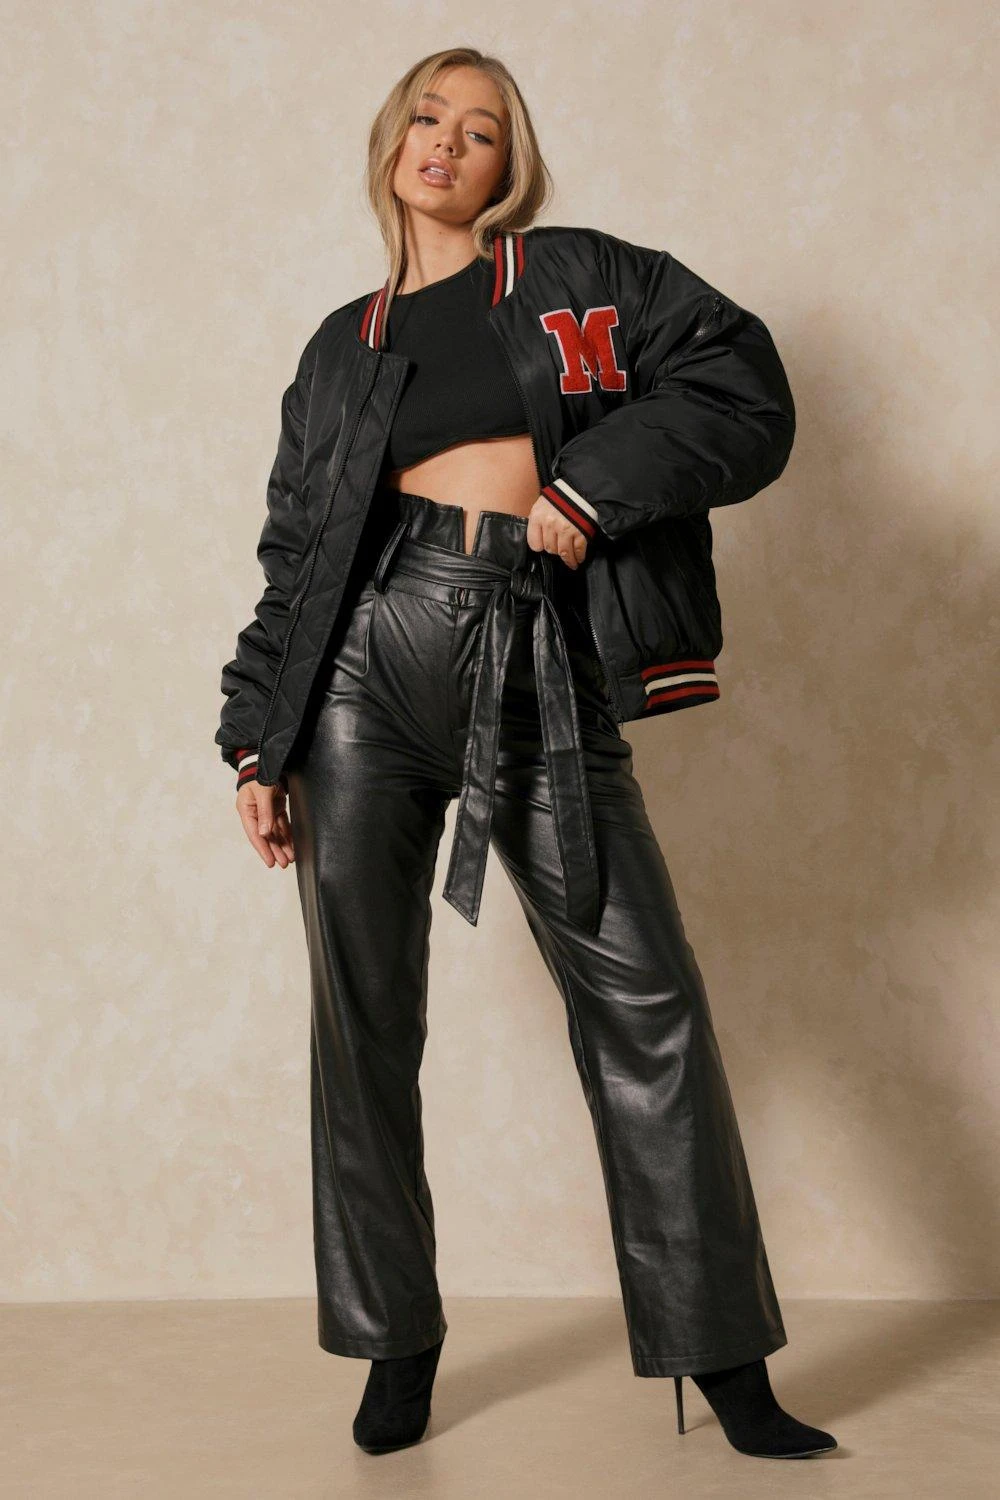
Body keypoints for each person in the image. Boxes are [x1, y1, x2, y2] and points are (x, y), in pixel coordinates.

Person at [215, 47, 838, 1462]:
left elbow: (745, 382)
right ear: (394, 141)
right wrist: (258, 737)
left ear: (512, 168)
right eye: (429, 116)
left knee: (647, 1002)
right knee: (363, 1015)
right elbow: (296, 555)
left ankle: (723, 1358)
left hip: (538, 649)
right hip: (365, 670)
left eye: (482, 130)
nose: (448, 141)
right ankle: (397, 1340)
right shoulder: (338, 348)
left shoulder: (577, 274)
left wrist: (593, 486)